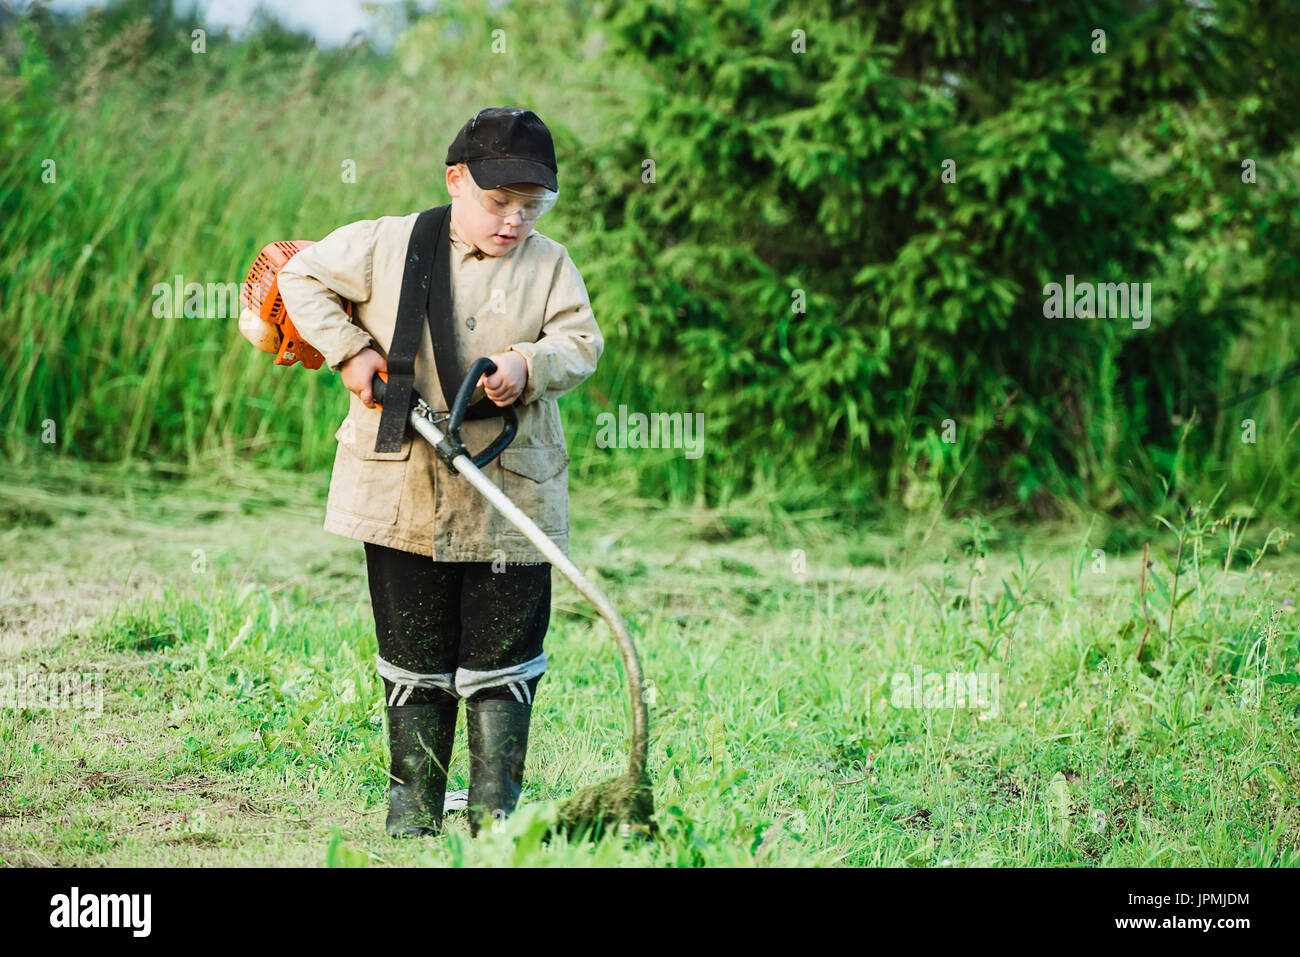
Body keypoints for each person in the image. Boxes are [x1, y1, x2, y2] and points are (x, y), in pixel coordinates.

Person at [275, 106, 603, 837]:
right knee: (413, 646)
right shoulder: (388, 243)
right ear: (456, 179)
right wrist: (351, 350)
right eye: (497, 202)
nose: (514, 220)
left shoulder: (550, 264)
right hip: (400, 483)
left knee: (504, 650)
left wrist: (529, 364)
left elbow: (582, 341)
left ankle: (495, 819)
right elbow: (298, 275)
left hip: (511, 482)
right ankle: (411, 812)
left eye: (532, 206)